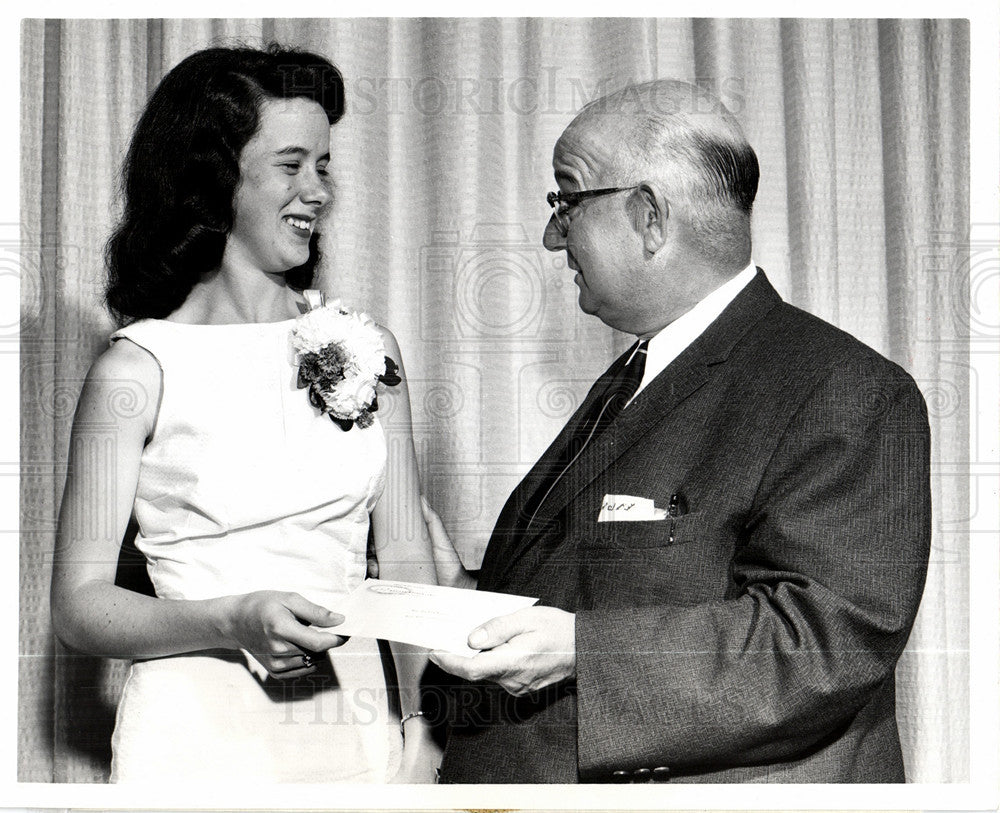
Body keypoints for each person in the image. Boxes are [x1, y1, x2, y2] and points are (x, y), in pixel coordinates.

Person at [426, 79, 931, 783]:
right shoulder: (637, 377)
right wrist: (455, 590)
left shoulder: (846, 390)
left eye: (566, 200)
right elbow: (608, 582)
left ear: (650, 216)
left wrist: (579, 648)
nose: (551, 234)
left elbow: (823, 642)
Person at [50, 44, 440, 783]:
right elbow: (79, 605)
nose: (318, 190)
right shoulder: (136, 370)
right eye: (291, 165)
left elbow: (408, 558)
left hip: (355, 733)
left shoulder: (368, 348)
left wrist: (423, 730)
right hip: (194, 737)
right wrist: (233, 620)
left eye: (324, 164)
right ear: (215, 179)